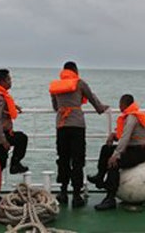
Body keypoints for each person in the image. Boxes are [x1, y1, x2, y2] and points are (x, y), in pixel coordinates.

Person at [49, 61, 109, 208]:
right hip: (77, 125)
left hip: (61, 125)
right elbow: (92, 98)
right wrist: (101, 108)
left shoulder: (55, 86)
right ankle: (76, 195)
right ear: (75, 71)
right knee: (77, 160)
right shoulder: (80, 83)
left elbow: (55, 107)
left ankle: (63, 192)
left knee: (63, 158)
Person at [88, 94, 145, 210]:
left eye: (120, 104)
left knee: (114, 163)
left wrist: (116, 155)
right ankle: (100, 176)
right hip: (132, 148)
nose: (119, 106)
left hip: (140, 151)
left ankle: (110, 198)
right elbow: (124, 136)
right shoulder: (129, 116)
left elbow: (126, 137)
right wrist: (113, 136)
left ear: (124, 104)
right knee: (106, 149)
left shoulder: (132, 117)